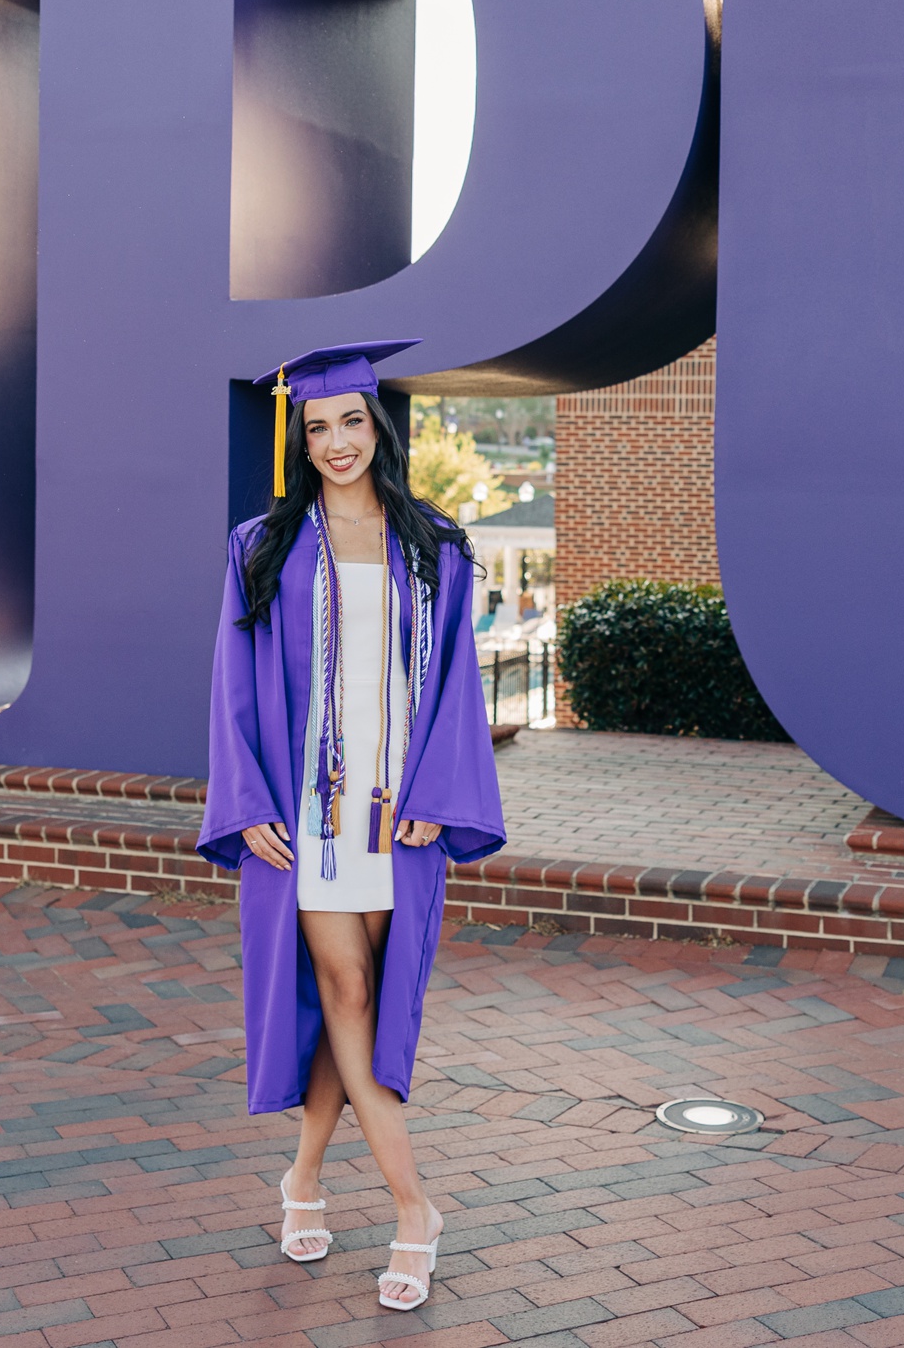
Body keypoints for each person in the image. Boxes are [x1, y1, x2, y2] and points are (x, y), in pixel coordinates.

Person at [198, 340, 506, 1314]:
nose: (335, 442)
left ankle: (302, 1175)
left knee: (355, 1007)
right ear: (302, 434)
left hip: (397, 817)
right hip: (309, 820)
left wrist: (438, 793)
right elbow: (232, 687)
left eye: (351, 421)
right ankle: (415, 1207)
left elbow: (455, 687)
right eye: (317, 425)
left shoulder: (439, 547)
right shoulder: (262, 545)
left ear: (381, 427)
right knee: (344, 989)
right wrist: (245, 803)